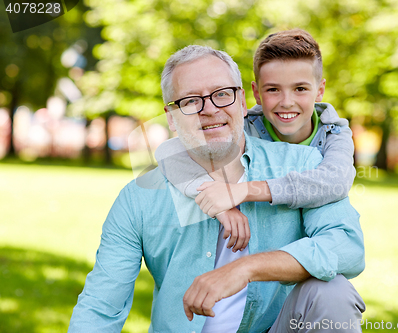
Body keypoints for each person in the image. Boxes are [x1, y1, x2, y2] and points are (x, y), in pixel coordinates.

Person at [68, 45, 365, 333]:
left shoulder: (303, 164)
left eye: (222, 94)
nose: (209, 110)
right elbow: (101, 306)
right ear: (171, 117)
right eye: (190, 101)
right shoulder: (139, 198)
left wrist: (245, 269)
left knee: (333, 292)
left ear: (244, 102)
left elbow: (346, 248)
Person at [159, 29, 355, 252]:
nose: (287, 102)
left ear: (319, 91)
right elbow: (169, 152)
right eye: (273, 90)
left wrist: (243, 191)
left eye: (300, 89)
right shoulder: (243, 124)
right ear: (256, 94)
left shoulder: (334, 133)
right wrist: (219, 205)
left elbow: (336, 181)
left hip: (312, 236)